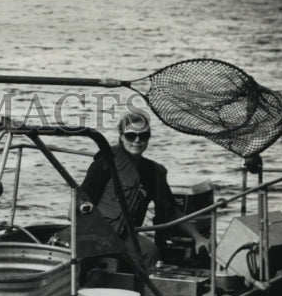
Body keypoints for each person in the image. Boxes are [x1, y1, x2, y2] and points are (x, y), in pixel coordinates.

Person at [80, 109, 212, 270]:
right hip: (96, 231)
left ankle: (142, 293)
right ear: (121, 136)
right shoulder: (105, 164)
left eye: (143, 136)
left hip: (125, 236)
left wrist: (198, 237)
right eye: (131, 136)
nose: (137, 141)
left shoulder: (153, 172)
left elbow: (171, 210)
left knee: (150, 253)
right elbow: (80, 204)